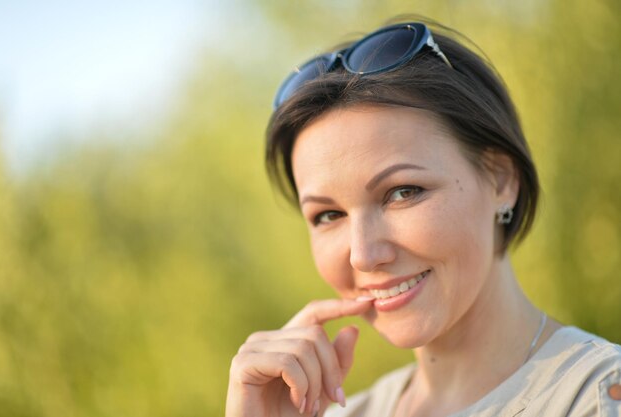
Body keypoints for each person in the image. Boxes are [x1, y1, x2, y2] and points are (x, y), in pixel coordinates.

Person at [225, 18, 621, 417]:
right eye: (329, 214)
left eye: (402, 192)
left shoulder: (598, 395)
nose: (363, 255)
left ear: (501, 180)